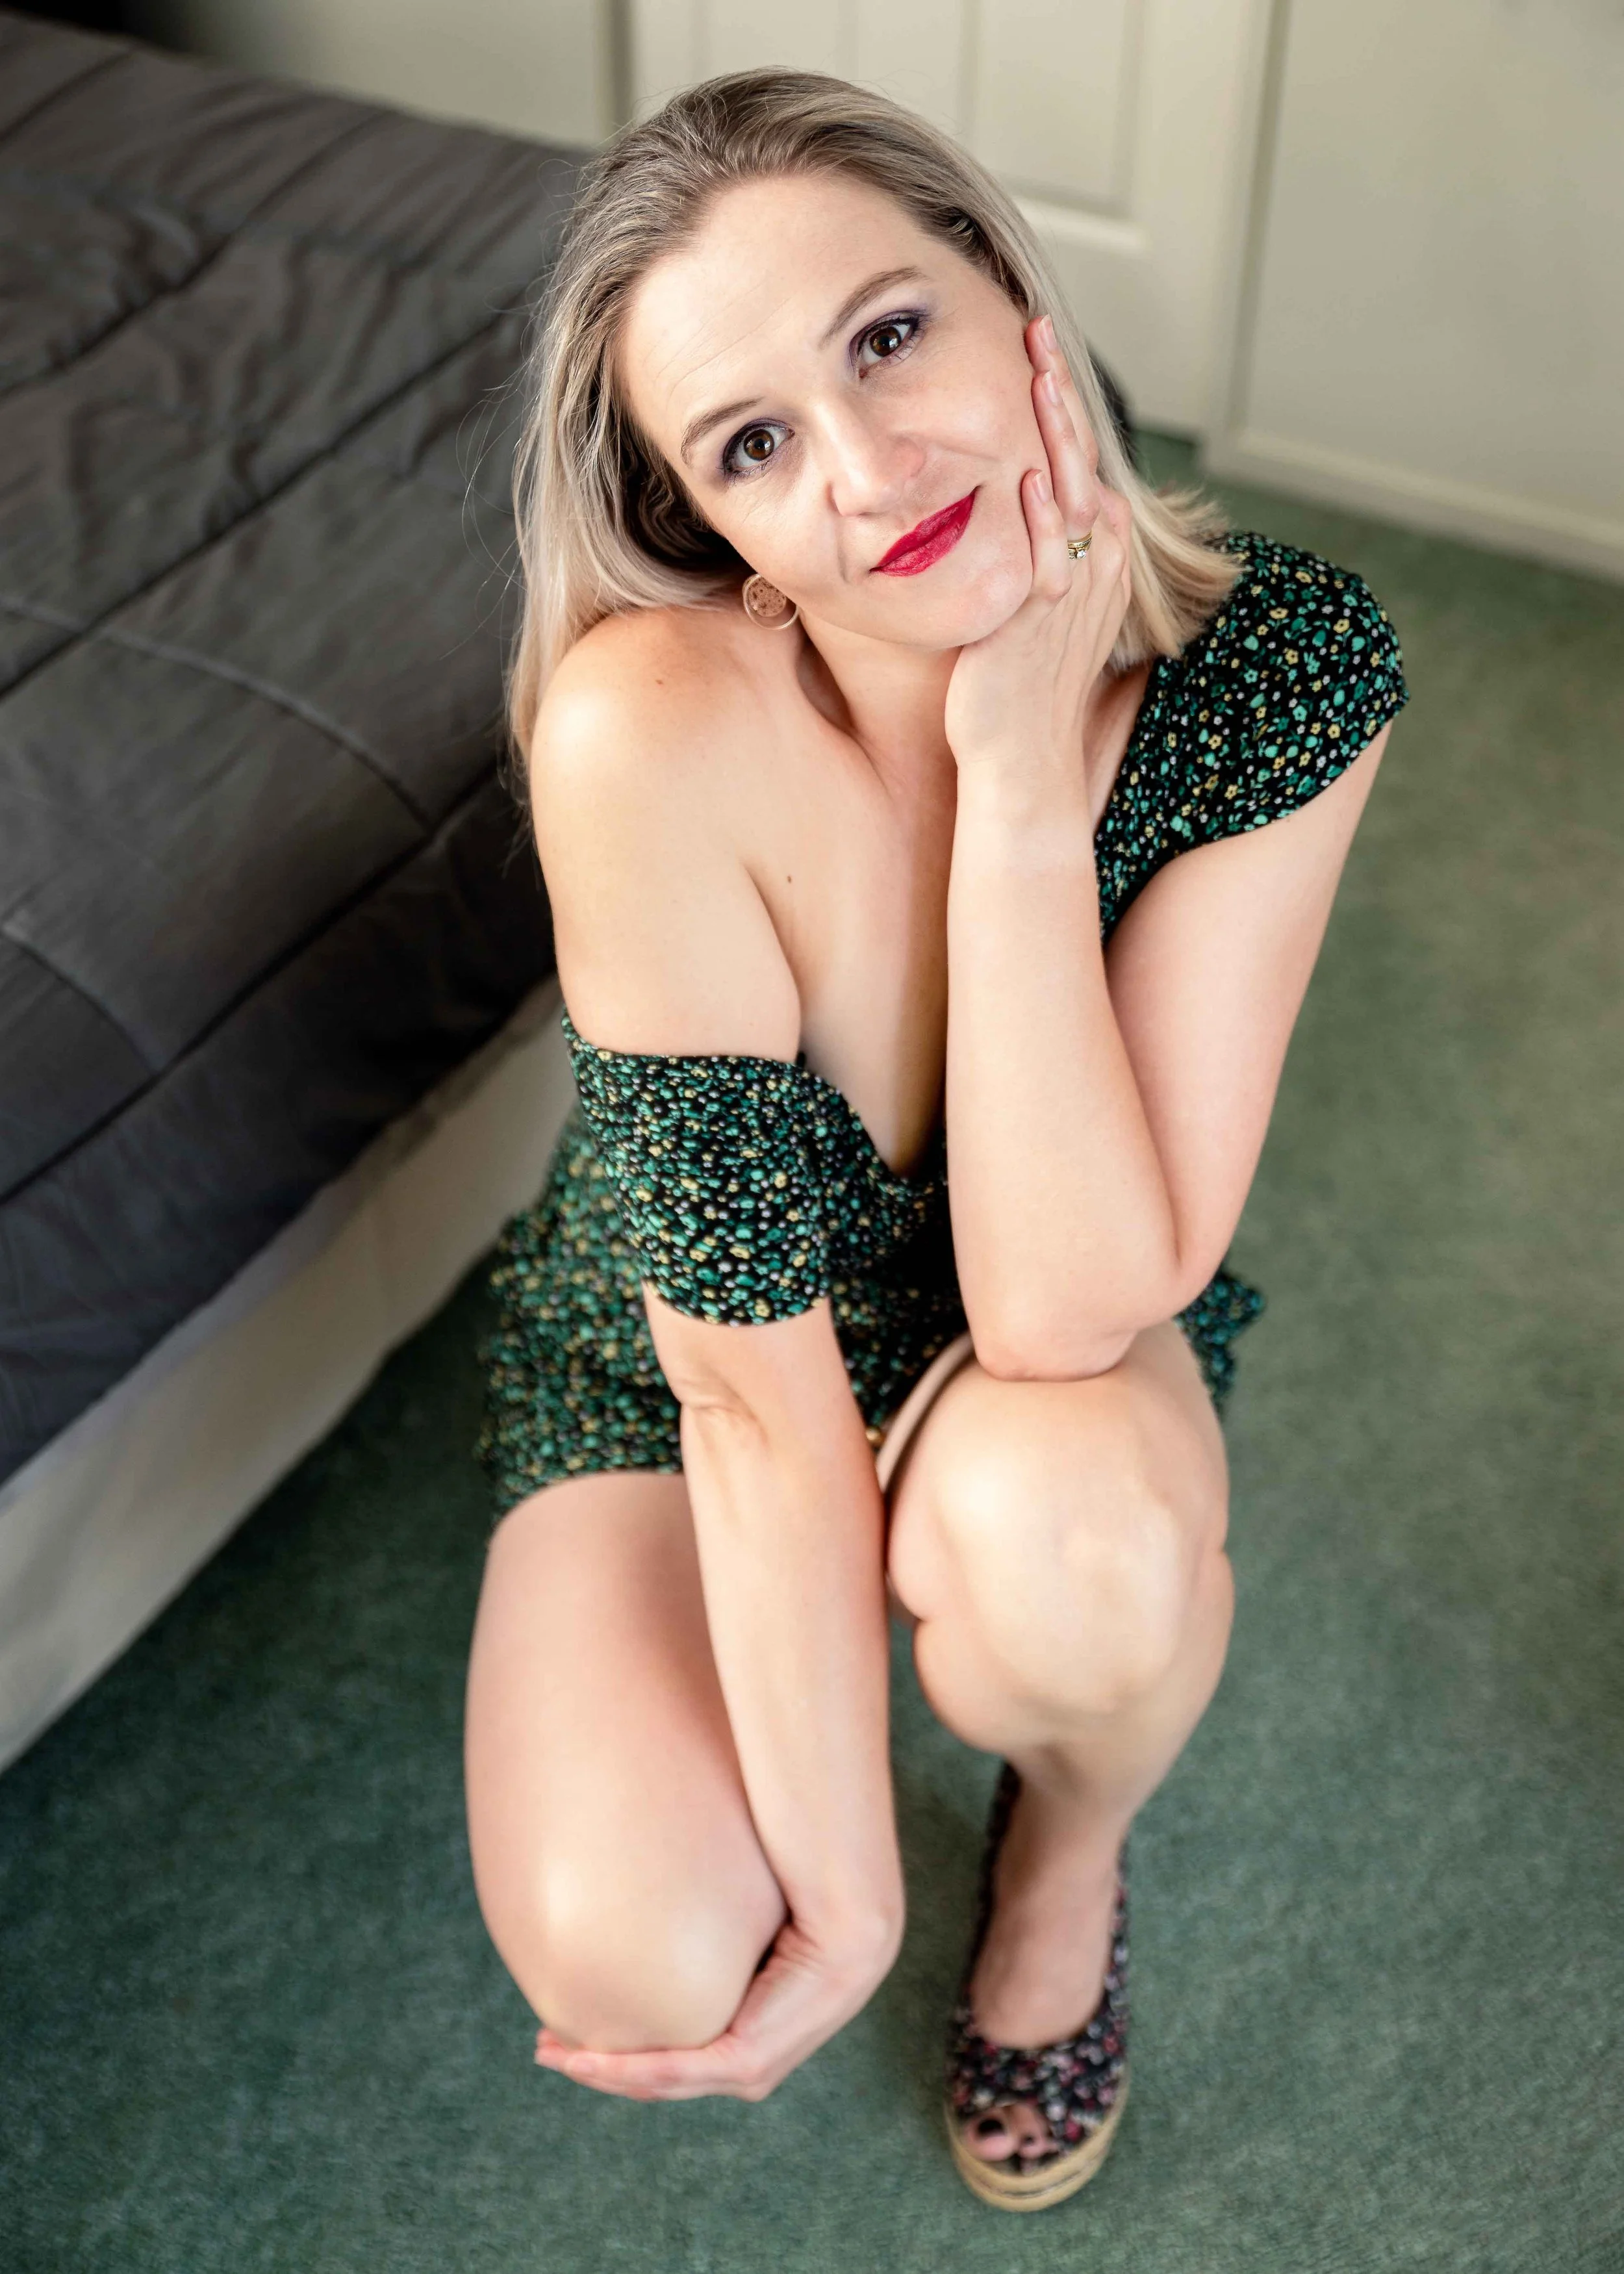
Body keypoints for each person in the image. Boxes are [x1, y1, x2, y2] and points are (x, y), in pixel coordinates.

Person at [465, 67, 1407, 2214]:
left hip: (1037, 1352)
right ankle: (901, 1805)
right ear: (714, 522)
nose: (873, 473)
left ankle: (1064, 1840)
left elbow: (1069, 1297)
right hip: (683, 1366)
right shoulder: (643, 733)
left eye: (886, 335)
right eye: (755, 443)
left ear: (1012, 308)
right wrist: (851, 1891)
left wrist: (1018, 790)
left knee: (1078, 1556)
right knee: (649, 1944)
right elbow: (745, 1389)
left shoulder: (1276, 665)